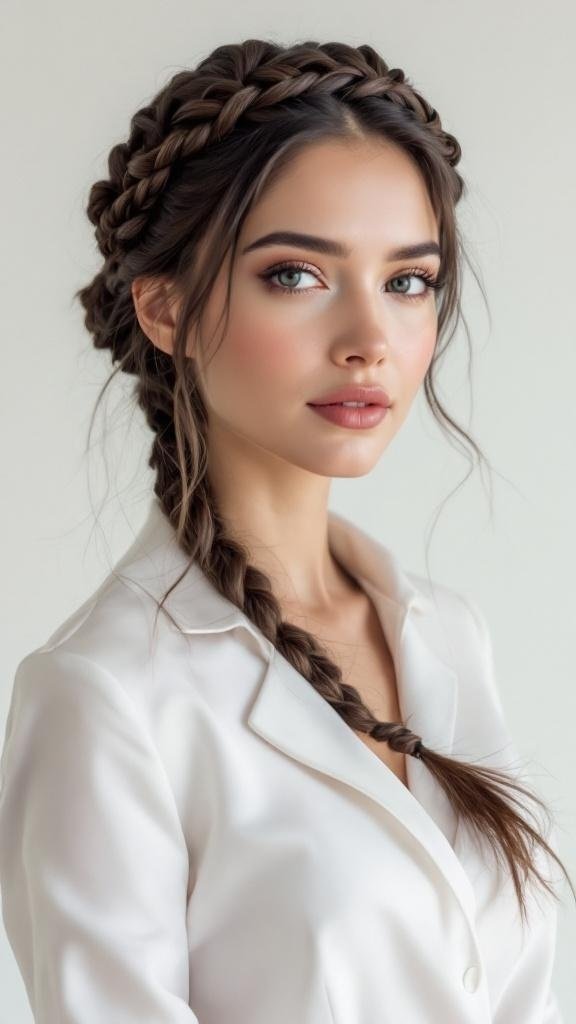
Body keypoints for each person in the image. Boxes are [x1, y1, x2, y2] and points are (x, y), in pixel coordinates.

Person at [0, 37, 572, 1024]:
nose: (369, 341)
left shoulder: (444, 631)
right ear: (166, 308)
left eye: (407, 281)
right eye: (297, 275)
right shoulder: (104, 692)